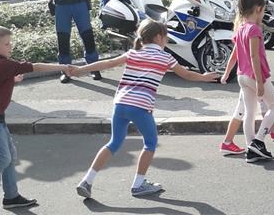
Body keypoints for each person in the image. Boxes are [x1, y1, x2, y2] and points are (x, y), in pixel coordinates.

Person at [73, 20, 217, 199]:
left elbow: (108, 63)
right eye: (165, 37)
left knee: (114, 142)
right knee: (150, 143)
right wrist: (204, 77)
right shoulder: (166, 57)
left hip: (120, 104)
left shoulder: (133, 53)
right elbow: (186, 75)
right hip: (140, 106)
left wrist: (80, 70)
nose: (166, 41)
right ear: (158, 37)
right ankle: (138, 184)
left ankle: (87, 180)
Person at [0, 25, 73, 214]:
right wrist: (63, 66)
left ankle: (11, 197)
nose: (10, 46)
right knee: (2, 159)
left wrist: (11, 80)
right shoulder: (4, 64)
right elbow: (34, 67)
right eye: (6, 44)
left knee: (9, 157)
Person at [220, 0, 274, 162]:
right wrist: (260, 82)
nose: (264, 14)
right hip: (256, 76)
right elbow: (255, 57)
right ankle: (258, 141)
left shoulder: (240, 28)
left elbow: (234, 54)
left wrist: (226, 74)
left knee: (249, 113)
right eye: (264, 11)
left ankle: (250, 148)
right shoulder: (254, 30)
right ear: (257, 9)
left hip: (242, 76)